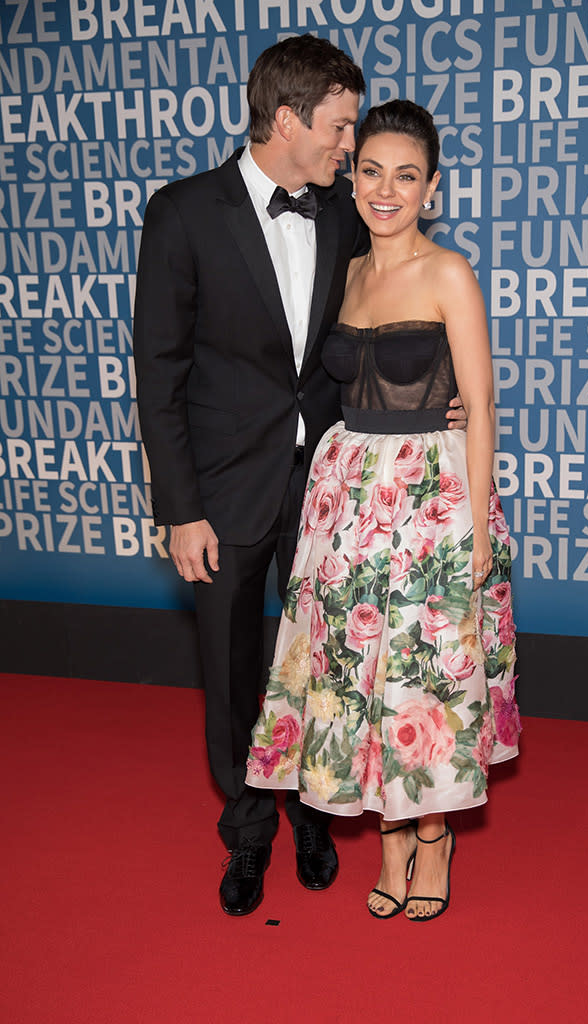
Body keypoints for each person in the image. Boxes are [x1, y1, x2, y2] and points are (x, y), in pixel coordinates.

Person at [134, 36, 465, 917]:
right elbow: (157, 374)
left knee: (328, 662)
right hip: (225, 490)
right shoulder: (182, 214)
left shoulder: (346, 213)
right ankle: (249, 835)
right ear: (287, 119)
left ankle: (316, 811)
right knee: (234, 670)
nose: (350, 149)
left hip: (330, 490)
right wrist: (181, 510)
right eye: (340, 126)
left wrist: (439, 405)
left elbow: (390, 321)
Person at [246, 100, 521, 922]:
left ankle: (430, 833)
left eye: (406, 175)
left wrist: (474, 526)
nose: (385, 189)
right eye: (370, 171)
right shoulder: (347, 273)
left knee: (424, 672)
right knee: (354, 668)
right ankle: (389, 835)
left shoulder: (448, 273)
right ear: (352, 178)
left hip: (431, 503)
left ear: (430, 188)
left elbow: (480, 404)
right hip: (346, 495)